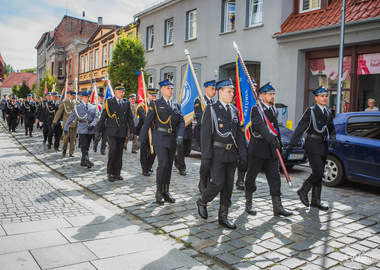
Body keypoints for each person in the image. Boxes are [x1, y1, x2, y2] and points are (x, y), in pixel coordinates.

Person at [196, 78, 247, 230]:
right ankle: (203, 200)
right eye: (229, 91)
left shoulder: (234, 110)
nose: (232, 94)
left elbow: (238, 134)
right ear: (220, 92)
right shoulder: (211, 109)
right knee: (217, 183)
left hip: (231, 153)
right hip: (217, 153)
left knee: (228, 186)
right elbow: (205, 135)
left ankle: (223, 216)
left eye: (233, 92)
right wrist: (206, 157)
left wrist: (243, 154)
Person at [244, 82, 293, 217]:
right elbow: (261, 127)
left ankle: (277, 207)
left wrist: (279, 144)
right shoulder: (256, 109)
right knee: (251, 177)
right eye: (270, 94)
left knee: (275, 178)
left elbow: (276, 129)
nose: (273, 96)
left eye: (273, 94)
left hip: (271, 150)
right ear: (262, 96)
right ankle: (248, 203)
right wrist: (271, 138)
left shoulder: (273, 110)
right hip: (258, 149)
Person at [286, 86, 336, 211]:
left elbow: (331, 128)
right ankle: (303, 191)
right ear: (316, 98)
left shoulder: (328, 112)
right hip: (312, 144)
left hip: (323, 145)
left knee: (320, 174)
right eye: (322, 96)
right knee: (318, 171)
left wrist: (333, 137)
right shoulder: (311, 111)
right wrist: (291, 146)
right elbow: (300, 128)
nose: (325, 98)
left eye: (326, 96)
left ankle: (316, 200)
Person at [136, 79, 185, 204]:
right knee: (163, 164)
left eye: (172, 88)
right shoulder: (155, 104)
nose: (170, 90)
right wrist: (140, 140)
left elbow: (181, 122)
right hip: (159, 138)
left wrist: (180, 135)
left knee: (169, 166)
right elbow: (147, 123)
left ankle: (166, 191)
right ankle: (158, 192)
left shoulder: (176, 104)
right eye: (168, 88)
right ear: (162, 90)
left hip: (172, 139)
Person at [95, 83, 135, 182]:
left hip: (122, 131)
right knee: (112, 150)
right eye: (120, 92)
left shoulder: (126, 103)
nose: (122, 93)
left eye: (123, 92)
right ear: (115, 92)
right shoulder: (109, 102)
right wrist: (97, 130)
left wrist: (132, 131)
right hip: (112, 131)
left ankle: (117, 172)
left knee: (119, 152)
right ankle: (110, 172)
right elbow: (103, 116)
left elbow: (130, 118)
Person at [64, 91, 98, 168]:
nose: (87, 98)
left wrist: (92, 124)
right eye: (85, 97)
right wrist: (66, 127)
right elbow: (71, 117)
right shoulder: (78, 107)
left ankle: (83, 161)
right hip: (82, 127)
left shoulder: (93, 106)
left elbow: (96, 117)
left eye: (88, 97)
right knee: (84, 144)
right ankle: (87, 159)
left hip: (90, 128)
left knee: (88, 145)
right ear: (81, 97)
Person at [194, 80, 217, 193]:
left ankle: (209, 181)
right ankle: (202, 181)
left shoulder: (216, 102)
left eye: (215, 89)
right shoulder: (200, 101)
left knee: (213, 159)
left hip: (214, 134)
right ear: (206, 89)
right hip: (203, 133)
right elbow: (199, 117)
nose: (214, 91)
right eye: (212, 89)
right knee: (206, 159)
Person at [136, 88, 157, 176]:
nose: (153, 97)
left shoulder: (156, 105)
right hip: (144, 131)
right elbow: (144, 118)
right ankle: (145, 169)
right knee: (144, 151)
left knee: (154, 151)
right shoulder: (142, 107)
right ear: (147, 95)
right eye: (152, 95)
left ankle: (149, 165)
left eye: (155, 96)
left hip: (153, 131)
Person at [53, 90, 78, 157]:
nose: (73, 96)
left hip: (74, 123)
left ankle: (71, 152)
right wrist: (55, 121)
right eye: (72, 95)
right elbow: (59, 112)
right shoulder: (64, 102)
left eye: (74, 95)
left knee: (73, 139)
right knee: (65, 138)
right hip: (66, 124)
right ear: (69, 95)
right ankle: (64, 149)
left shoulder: (77, 103)